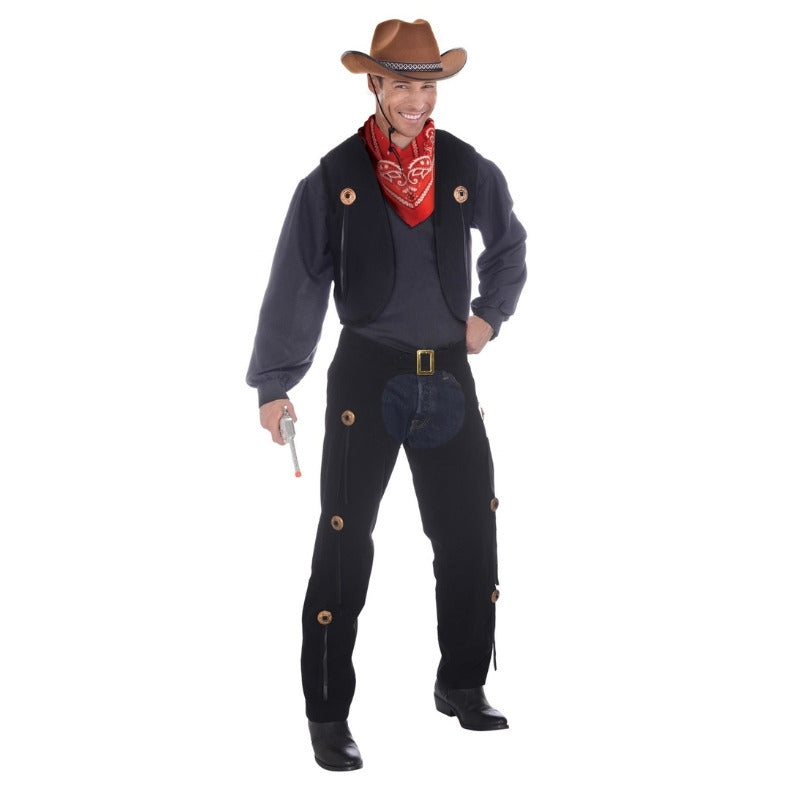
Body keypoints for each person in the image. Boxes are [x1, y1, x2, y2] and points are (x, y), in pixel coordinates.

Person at [246, 18, 527, 771]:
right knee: (345, 540)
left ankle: (462, 682)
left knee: (469, 533)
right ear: (374, 84)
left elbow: (509, 244)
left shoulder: (464, 165)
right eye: (402, 84)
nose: (416, 100)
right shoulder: (334, 176)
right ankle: (328, 713)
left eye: (427, 86)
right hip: (366, 377)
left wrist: (489, 316)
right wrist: (275, 383)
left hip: (450, 376)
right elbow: (297, 280)